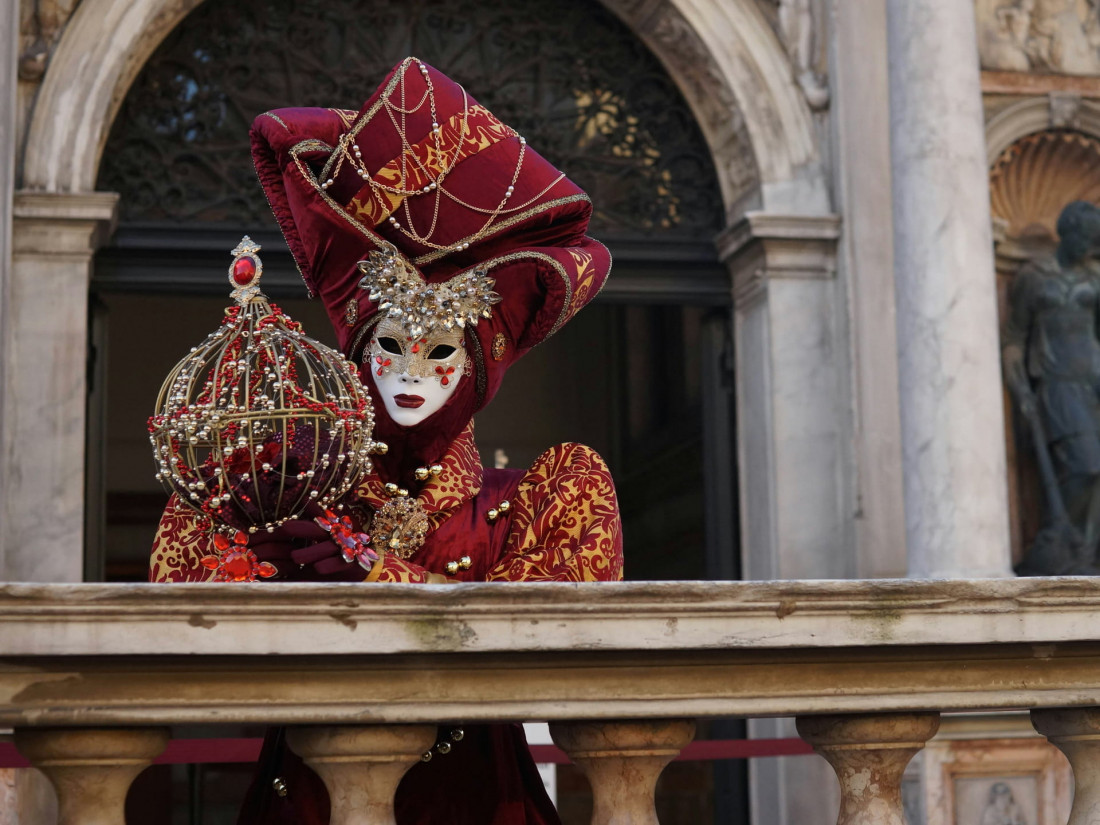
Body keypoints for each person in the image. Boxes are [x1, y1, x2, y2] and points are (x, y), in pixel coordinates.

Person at [149, 57, 623, 824]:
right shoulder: (294, 489)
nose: (411, 373)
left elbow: (561, 644)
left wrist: (380, 575)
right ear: (357, 354)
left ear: (478, 371)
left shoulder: (546, 494)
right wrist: (256, 553)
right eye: (390, 347)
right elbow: (176, 614)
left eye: (440, 351)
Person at [1003, 200, 1100, 574]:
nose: (1091, 248)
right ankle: (1063, 539)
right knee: (1087, 467)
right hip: (1057, 385)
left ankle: (1085, 549)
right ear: (1069, 233)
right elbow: (1015, 335)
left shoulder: (1094, 279)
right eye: (1088, 239)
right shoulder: (1034, 277)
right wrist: (1016, 380)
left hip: (1093, 381)